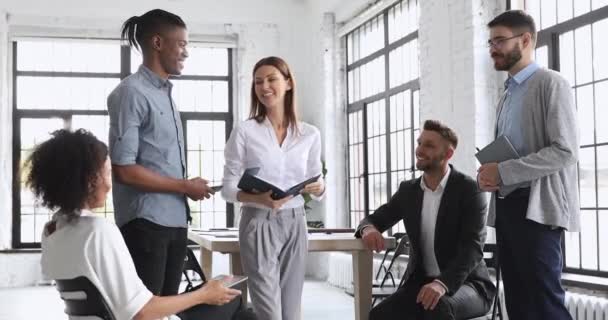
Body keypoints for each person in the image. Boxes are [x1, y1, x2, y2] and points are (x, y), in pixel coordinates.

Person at [32, 129, 247, 320]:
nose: (110, 185)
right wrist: (205, 294)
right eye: (107, 174)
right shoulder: (98, 230)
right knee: (236, 303)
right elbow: (142, 312)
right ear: (90, 180)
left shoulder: (51, 231)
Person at [478, 10, 579, 320]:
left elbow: (564, 151)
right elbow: (513, 153)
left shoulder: (551, 83)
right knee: (519, 305)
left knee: (544, 305)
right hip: (508, 206)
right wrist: (491, 174)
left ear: (525, 40)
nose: (493, 48)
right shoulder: (506, 95)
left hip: (538, 212)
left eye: (500, 40)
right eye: (490, 41)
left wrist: (504, 171)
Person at [108, 9, 214, 296]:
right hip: (146, 227)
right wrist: (184, 186)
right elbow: (123, 169)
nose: (186, 52)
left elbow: (157, 164)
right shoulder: (131, 93)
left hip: (174, 223)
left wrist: (188, 185)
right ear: (157, 43)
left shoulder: (164, 95)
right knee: (146, 312)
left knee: (166, 311)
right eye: (181, 44)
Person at [356, 120, 496, 320]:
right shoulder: (408, 191)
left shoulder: (469, 190)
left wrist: (442, 284)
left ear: (448, 154)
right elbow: (374, 219)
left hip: (468, 285)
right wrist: (368, 229)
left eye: (429, 145)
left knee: (437, 308)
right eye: (419, 143)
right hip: (421, 283)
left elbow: (472, 248)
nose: (419, 150)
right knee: (379, 315)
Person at [221, 56, 325, 320]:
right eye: (258, 82)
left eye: (271, 79)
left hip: (295, 221)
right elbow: (228, 188)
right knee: (269, 311)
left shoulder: (310, 134)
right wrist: (261, 198)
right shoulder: (245, 131)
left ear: (288, 83)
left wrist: (319, 186)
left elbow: (318, 182)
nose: (264, 86)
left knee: (291, 311)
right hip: (258, 220)